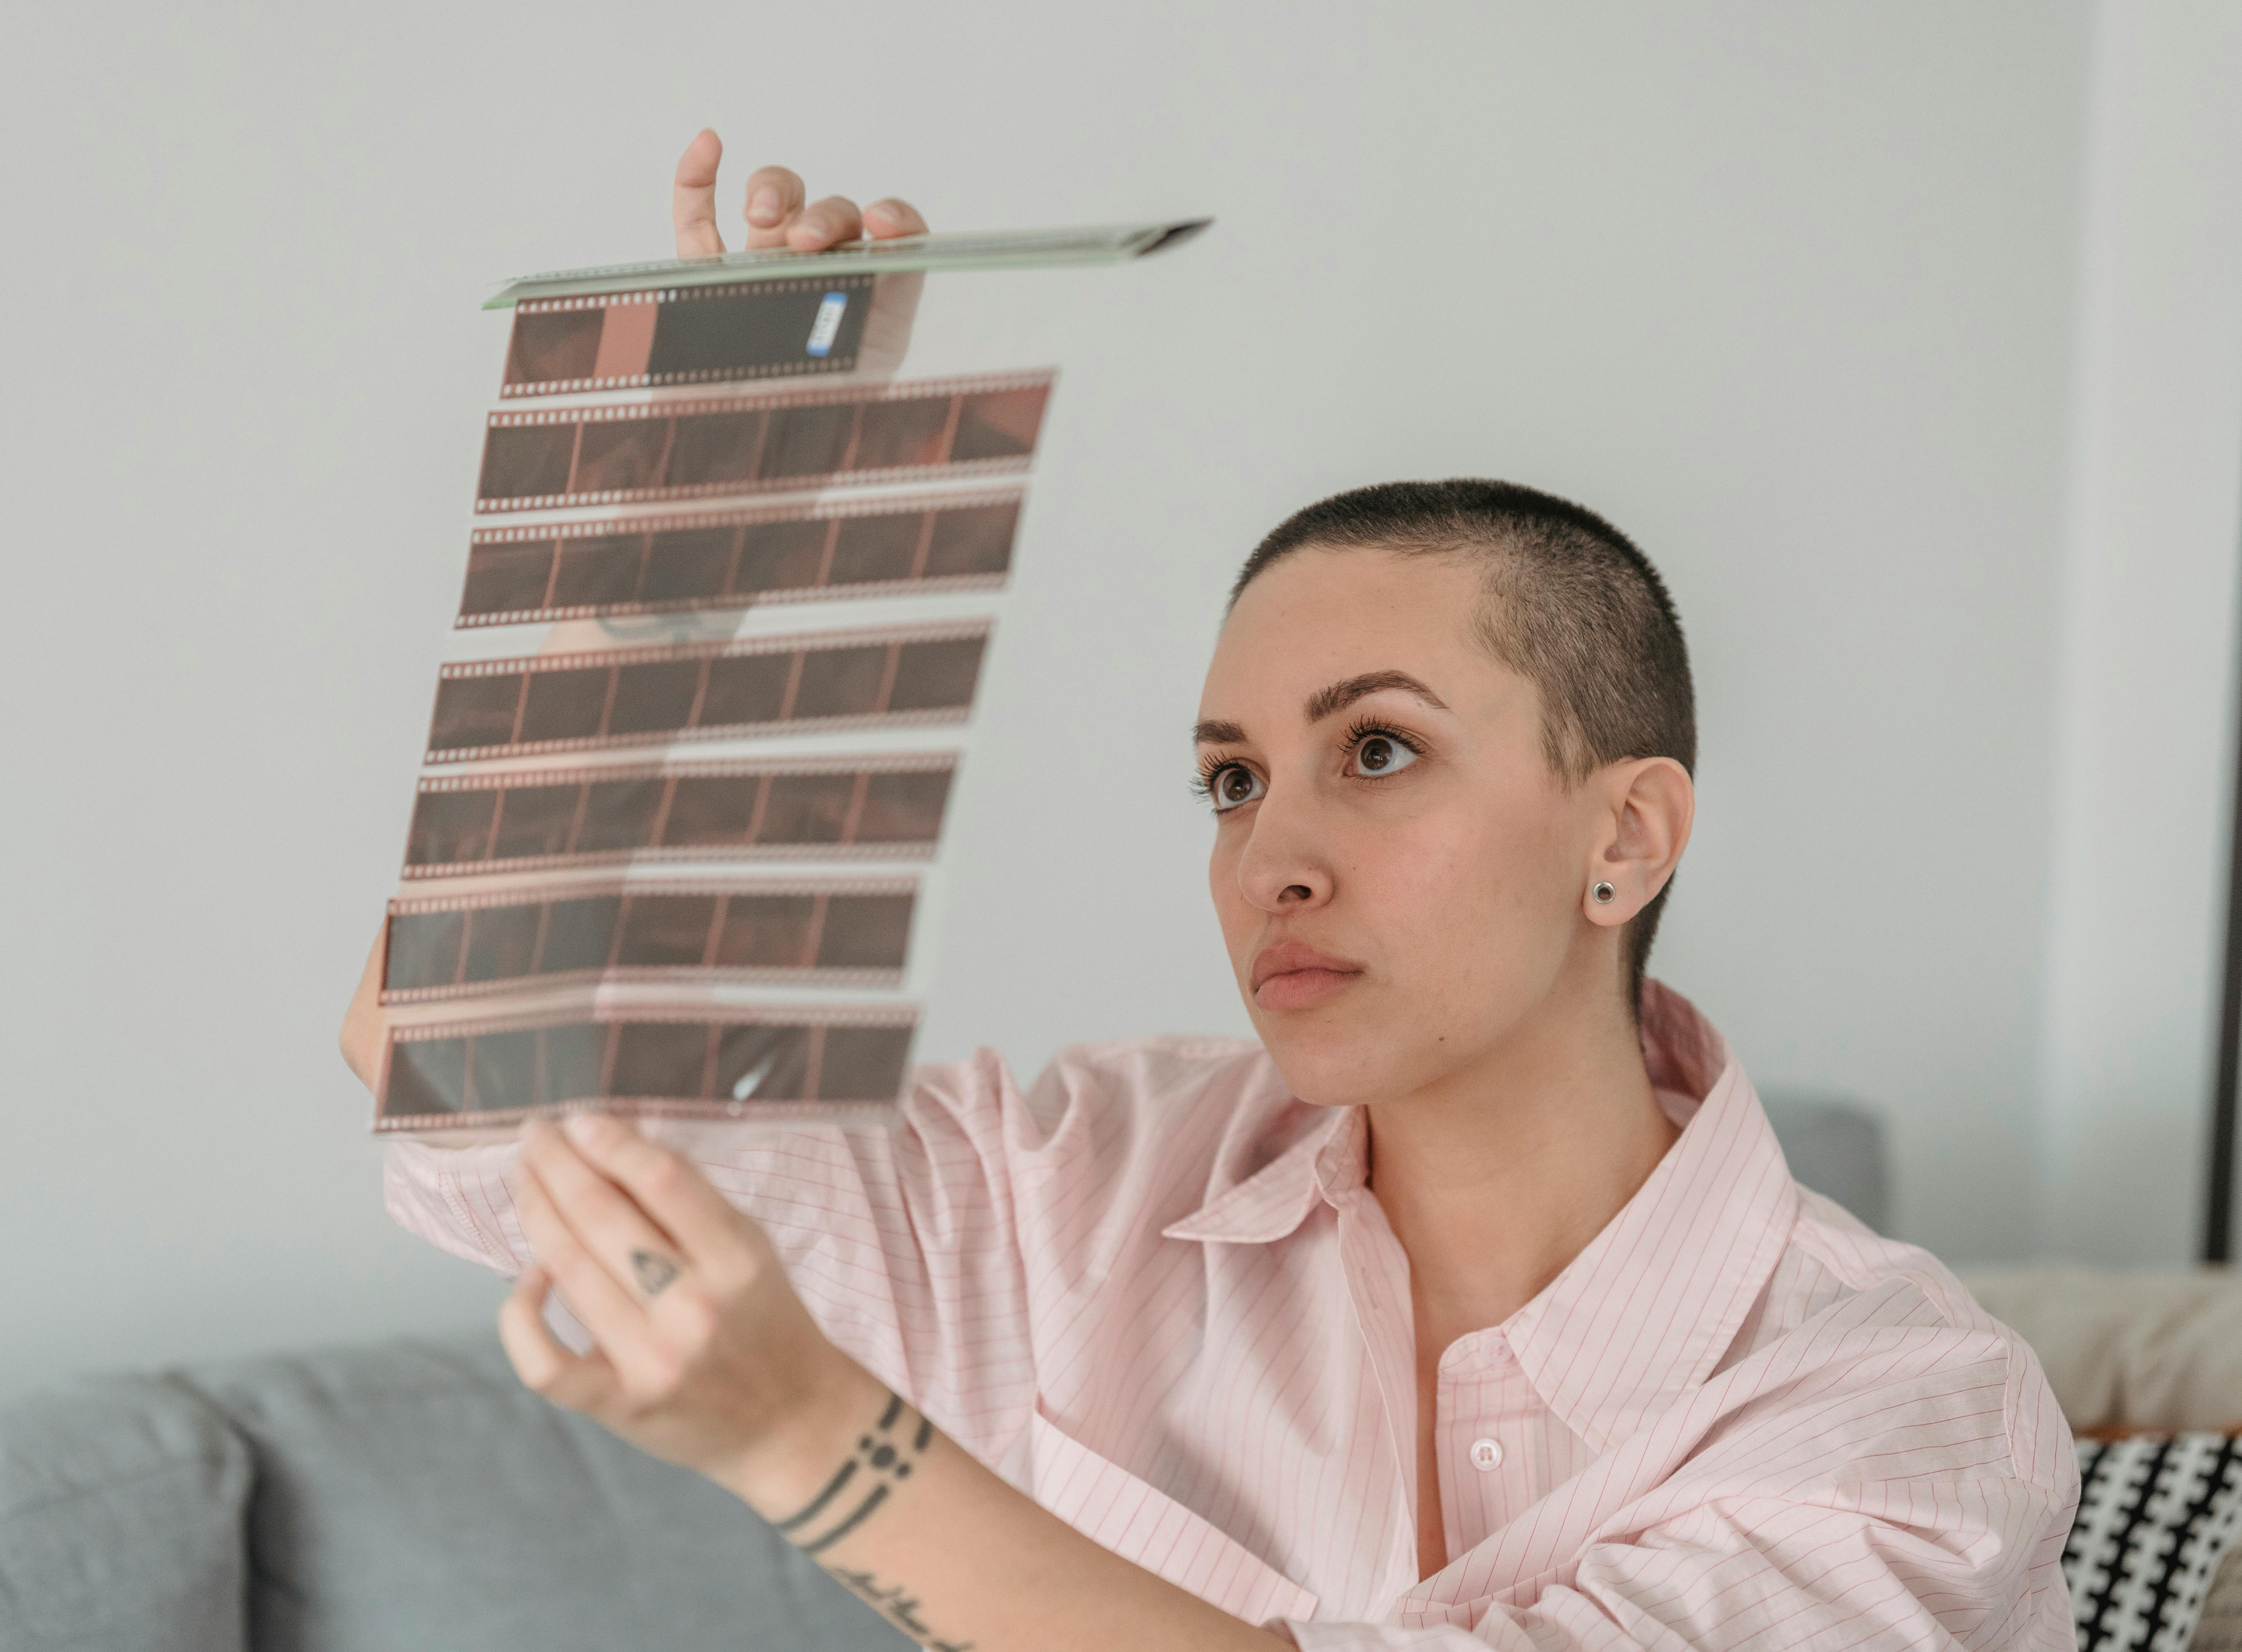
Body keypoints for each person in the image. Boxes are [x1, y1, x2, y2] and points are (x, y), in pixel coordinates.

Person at [339, 130, 2078, 1652]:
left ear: (1625, 837)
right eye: (1232, 778)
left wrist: (818, 1443)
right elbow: (457, 1069)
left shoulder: (1903, 1415)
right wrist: (655, 602)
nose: (1273, 856)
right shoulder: (1072, 1192)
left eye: (1379, 752)